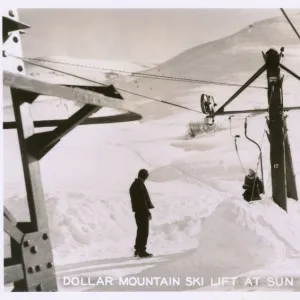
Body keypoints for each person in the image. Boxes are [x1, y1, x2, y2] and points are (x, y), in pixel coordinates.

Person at [129, 169, 154, 258]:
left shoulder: (134, 185)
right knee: (144, 232)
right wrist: (147, 212)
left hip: (138, 212)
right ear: (145, 176)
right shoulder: (139, 185)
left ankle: (137, 249)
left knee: (140, 231)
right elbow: (142, 201)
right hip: (142, 212)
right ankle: (141, 251)